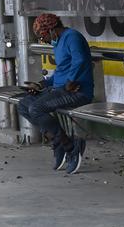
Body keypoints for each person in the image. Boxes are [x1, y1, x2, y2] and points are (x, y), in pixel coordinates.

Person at [18, 14, 94, 175]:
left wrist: (71, 81)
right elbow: (59, 74)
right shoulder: (58, 42)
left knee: (36, 108)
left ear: (51, 30)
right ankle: (58, 141)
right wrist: (41, 84)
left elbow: (80, 60)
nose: (42, 40)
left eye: (42, 36)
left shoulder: (72, 37)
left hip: (78, 92)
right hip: (59, 90)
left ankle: (70, 147)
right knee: (24, 105)